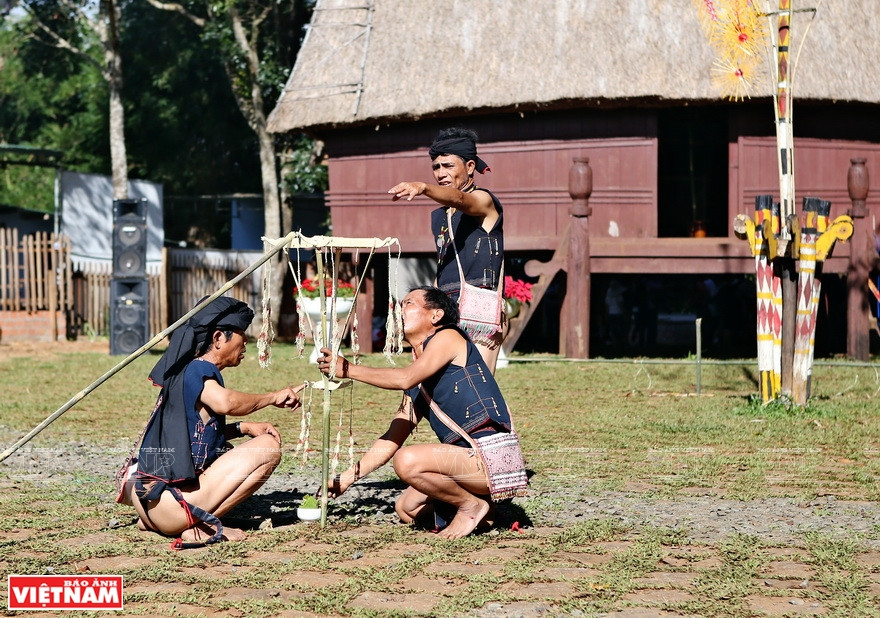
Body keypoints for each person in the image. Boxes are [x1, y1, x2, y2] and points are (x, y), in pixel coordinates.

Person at [316, 286, 525, 540]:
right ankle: (486, 511)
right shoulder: (419, 376)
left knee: (407, 461)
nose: (399, 309)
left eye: (409, 303)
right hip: (466, 464)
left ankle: (471, 506)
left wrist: (347, 368)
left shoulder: (448, 337)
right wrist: (347, 478)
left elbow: (405, 378)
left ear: (435, 316)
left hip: (489, 459)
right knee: (407, 509)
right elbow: (392, 437)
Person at [120, 296, 303, 545]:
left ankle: (165, 523)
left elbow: (194, 433)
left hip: (148, 506)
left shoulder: (183, 371)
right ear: (218, 338)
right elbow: (225, 403)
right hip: (172, 506)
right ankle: (202, 524)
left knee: (232, 448)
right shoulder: (198, 369)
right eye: (240, 334)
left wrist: (244, 427)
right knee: (268, 449)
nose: (245, 342)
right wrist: (273, 397)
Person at [388, 127, 506, 372]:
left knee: (477, 388)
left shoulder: (484, 201)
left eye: (448, 166)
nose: (440, 173)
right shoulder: (440, 216)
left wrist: (423, 187)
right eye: (436, 167)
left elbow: (461, 200)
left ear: (470, 167)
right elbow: (443, 264)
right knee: (429, 386)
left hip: (479, 314)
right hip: (445, 309)